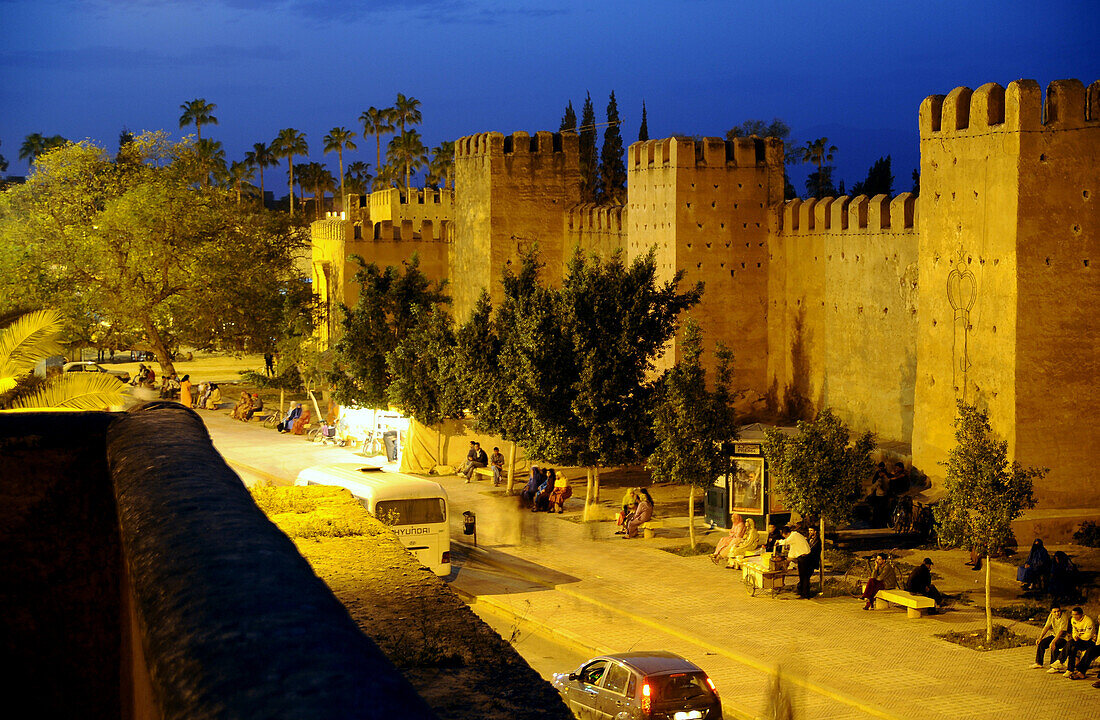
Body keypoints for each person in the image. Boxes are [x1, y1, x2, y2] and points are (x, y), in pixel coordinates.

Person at [777, 526, 813, 597]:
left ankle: (805, 594)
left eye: (785, 536)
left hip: (804, 557)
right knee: (802, 576)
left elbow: (785, 542)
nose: (785, 538)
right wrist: (788, 559)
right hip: (802, 557)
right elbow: (793, 550)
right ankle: (802, 592)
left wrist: (778, 541)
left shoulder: (794, 535)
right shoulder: (795, 536)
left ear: (787, 533)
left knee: (804, 576)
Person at [1062, 607, 1097, 680]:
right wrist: (1075, 636)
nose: (1074, 616)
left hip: (1089, 641)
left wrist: (1078, 637)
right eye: (1073, 615)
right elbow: (1074, 630)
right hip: (1079, 640)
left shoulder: (1088, 621)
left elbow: (1088, 636)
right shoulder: (1073, 620)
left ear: (1081, 614)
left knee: (1072, 643)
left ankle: (1061, 661)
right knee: (1072, 647)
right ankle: (1070, 669)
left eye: (1076, 615)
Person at [1034, 604, 1071, 670]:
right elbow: (1046, 627)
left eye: (1058, 611)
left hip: (1063, 638)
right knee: (1041, 643)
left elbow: (1061, 632)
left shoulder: (1064, 617)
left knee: (1055, 645)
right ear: (1051, 612)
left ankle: (1054, 666)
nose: (1057, 613)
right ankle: (1039, 663)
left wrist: (1053, 642)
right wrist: (1040, 638)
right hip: (1054, 635)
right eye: (1055, 612)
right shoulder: (1051, 616)